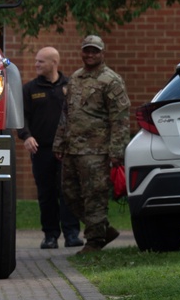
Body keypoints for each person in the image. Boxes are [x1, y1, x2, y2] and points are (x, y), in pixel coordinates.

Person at [54, 35, 131, 255]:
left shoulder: (111, 80)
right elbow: (66, 113)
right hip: (72, 148)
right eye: (87, 50)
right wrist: (59, 142)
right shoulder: (75, 78)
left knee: (94, 195)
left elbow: (120, 117)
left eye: (94, 51)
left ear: (102, 53)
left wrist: (117, 151)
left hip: (97, 150)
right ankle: (103, 230)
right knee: (69, 194)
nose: (90, 55)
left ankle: (94, 241)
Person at [17, 47, 82, 249]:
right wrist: (26, 136)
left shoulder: (70, 86)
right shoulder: (30, 89)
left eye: (41, 62)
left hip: (66, 150)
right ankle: (50, 235)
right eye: (36, 61)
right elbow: (21, 118)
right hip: (42, 150)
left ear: (54, 63)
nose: (36, 65)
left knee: (68, 192)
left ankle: (72, 234)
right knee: (46, 194)